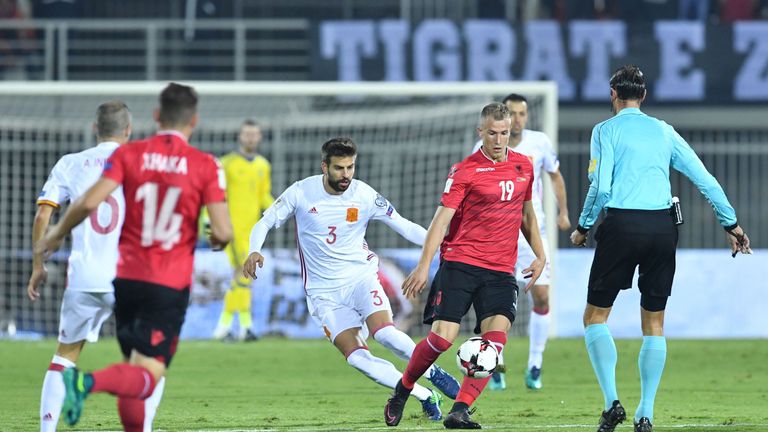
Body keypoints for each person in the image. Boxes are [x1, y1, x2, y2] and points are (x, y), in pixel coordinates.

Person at [36, 83, 233, 430]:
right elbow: (223, 232)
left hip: (121, 277)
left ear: (157, 116)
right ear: (195, 120)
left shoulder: (130, 156)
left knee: (112, 362)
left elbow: (87, 202)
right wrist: (216, 237)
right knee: (148, 372)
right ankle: (88, 384)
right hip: (166, 281)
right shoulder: (205, 165)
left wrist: (55, 233)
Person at [569, 65, 752, 432]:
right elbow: (704, 178)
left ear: (613, 95)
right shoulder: (663, 130)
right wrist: (730, 223)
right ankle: (645, 412)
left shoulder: (604, 130)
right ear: (644, 96)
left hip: (622, 225)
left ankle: (612, 404)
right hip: (661, 229)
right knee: (654, 323)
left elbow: (602, 187)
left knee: (594, 318)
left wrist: (584, 226)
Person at [242, 137, 460, 421]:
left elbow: (404, 226)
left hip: (361, 278)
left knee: (385, 333)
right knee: (358, 358)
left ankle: (434, 373)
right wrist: (254, 250)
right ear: (324, 166)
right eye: (339, 168)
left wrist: (443, 246)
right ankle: (422, 394)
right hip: (324, 294)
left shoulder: (364, 195)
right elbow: (265, 221)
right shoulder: (301, 193)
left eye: (350, 167)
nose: (346, 175)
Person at [384, 102, 546, 429]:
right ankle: (402, 390)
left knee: (495, 342)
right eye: (492, 133)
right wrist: (423, 265)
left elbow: (527, 214)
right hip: (460, 263)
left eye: (504, 133)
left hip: (500, 270)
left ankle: (460, 410)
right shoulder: (465, 170)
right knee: (442, 340)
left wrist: (541, 255)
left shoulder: (524, 167)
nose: (499, 140)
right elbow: (440, 222)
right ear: (480, 132)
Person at [26, 101, 167, 432]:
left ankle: (47, 430)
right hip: (131, 278)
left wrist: (38, 264)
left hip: (84, 278)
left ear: (95, 128)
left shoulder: (70, 164)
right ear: (128, 130)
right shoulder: (144, 162)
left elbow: (43, 214)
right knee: (149, 361)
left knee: (64, 356)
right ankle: (141, 428)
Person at [471, 93, 571, 391]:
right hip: (495, 235)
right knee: (495, 302)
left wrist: (563, 212)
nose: (517, 119)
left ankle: (535, 365)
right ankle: (495, 362)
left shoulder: (538, 142)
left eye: (522, 113)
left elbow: (554, 176)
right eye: (512, 113)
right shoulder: (481, 149)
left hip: (531, 232)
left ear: (527, 116)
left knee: (541, 297)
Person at [212, 119, 274, 342]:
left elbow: (263, 196)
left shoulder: (263, 166)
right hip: (230, 229)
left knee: (241, 277)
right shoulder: (226, 164)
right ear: (240, 136)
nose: (250, 138)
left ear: (259, 137)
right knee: (242, 274)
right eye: (246, 134)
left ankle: (226, 327)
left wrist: (280, 209)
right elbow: (215, 196)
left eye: (254, 134)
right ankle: (243, 327)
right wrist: (210, 224)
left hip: (252, 232)